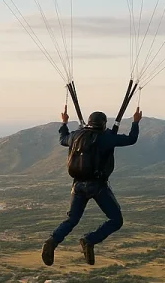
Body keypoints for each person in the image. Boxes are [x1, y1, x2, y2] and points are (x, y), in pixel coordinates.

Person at [42, 106, 142, 266]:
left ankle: (52, 241)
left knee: (72, 219)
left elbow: (62, 139)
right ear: (103, 124)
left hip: (78, 186)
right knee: (116, 220)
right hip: (98, 186)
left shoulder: (76, 136)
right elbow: (131, 139)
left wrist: (64, 123)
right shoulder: (107, 137)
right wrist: (136, 122)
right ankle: (90, 240)